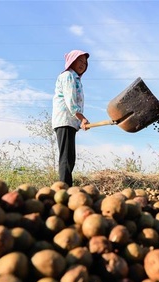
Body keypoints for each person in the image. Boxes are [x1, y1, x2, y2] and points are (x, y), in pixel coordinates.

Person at [52, 50, 91, 187]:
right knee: (66, 158)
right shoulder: (68, 76)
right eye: (80, 60)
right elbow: (70, 101)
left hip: (70, 122)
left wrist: (79, 121)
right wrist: (81, 118)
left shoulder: (76, 79)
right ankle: (64, 189)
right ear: (71, 61)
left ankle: (66, 187)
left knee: (70, 158)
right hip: (64, 120)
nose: (83, 64)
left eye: (85, 62)